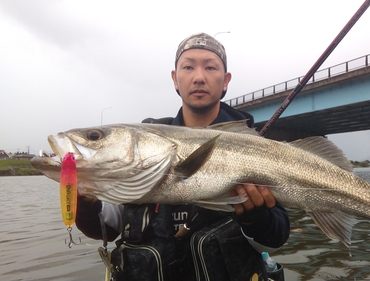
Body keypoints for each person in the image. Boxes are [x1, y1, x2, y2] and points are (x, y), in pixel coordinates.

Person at [76, 32, 290, 281]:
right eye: (188, 67)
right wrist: (84, 203)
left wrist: (255, 217)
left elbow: (275, 241)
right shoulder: (144, 145)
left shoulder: (255, 148)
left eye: (210, 67)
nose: (199, 77)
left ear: (225, 81)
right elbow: (107, 227)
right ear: (175, 79)